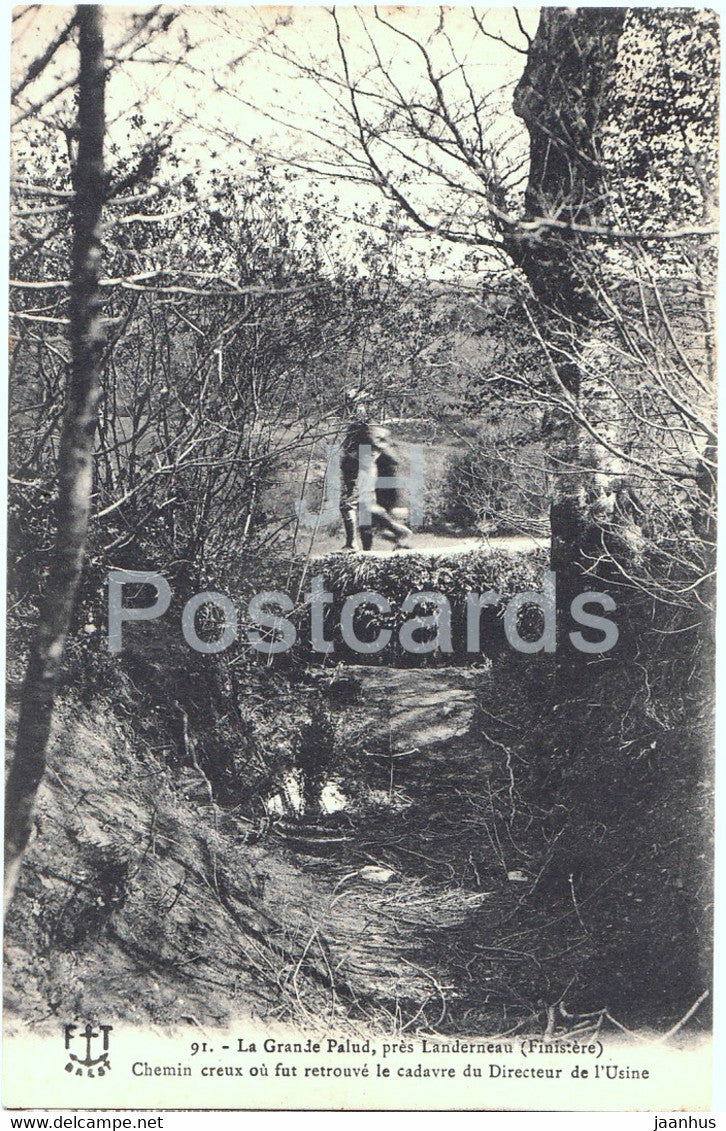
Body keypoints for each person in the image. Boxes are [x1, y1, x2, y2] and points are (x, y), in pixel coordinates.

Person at [340, 388, 413, 551]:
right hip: (358, 466)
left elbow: (371, 445)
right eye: (349, 403)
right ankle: (393, 534)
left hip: (361, 467)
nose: (350, 407)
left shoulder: (366, 424)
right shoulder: (361, 423)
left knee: (351, 505)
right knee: (363, 507)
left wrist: (356, 457)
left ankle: (354, 544)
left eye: (353, 403)